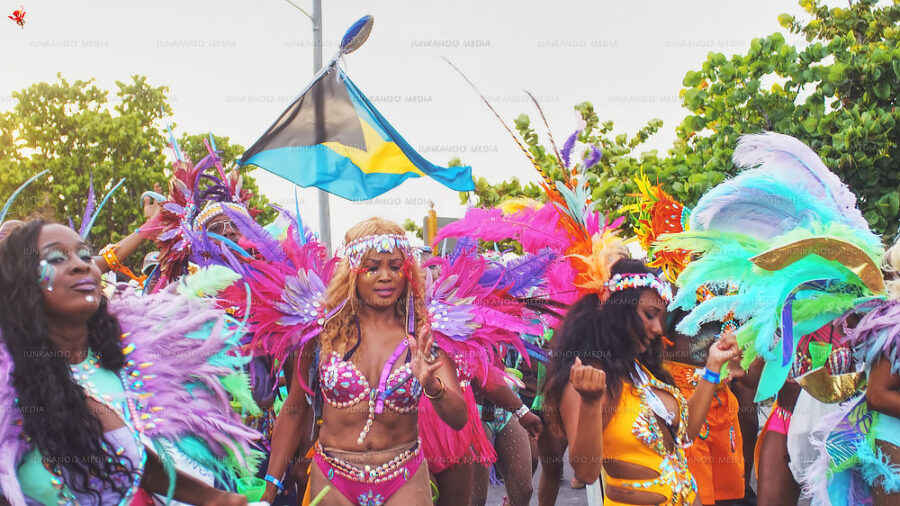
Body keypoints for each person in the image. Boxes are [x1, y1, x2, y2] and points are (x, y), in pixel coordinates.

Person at [0, 221, 256, 505]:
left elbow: (130, 459)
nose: (81, 265)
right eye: (57, 258)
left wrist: (215, 498)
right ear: (20, 281)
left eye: (85, 255)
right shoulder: (9, 381)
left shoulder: (123, 364)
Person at [261, 218, 467, 505]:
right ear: (352, 275)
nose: (386, 276)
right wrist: (270, 484)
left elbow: (459, 419)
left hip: (402, 476)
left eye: (395, 267)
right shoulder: (321, 334)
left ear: (407, 272)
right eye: (371, 268)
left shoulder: (423, 334)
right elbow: (295, 410)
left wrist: (433, 387)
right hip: (333, 478)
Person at [542, 259, 739, 506]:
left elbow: (686, 433)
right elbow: (586, 472)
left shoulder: (643, 372)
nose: (658, 329)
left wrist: (712, 367)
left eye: (660, 319)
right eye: (649, 316)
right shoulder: (584, 378)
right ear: (618, 312)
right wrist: (591, 402)